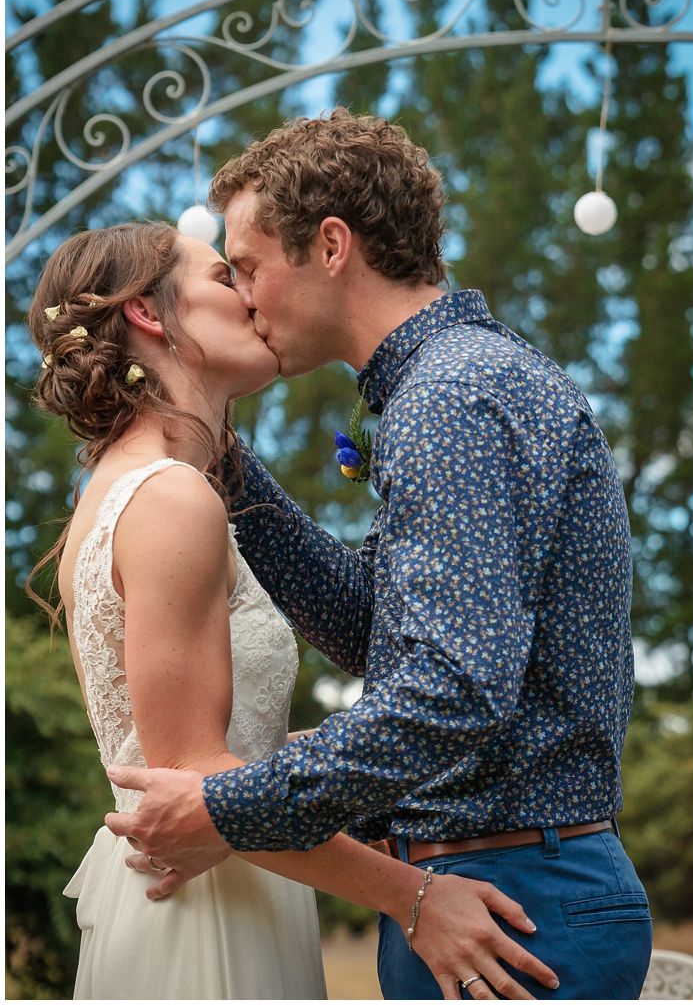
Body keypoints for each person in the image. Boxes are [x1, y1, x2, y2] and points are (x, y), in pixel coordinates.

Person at [101, 110, 653, 1000]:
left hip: (516, 901)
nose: (243, 297)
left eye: (247, 266)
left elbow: (451, 686)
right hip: (502, 886)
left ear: (329, 246)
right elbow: (386, 634)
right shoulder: (449, 384)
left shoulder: (453, 396)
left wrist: (227, 806)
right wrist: (223, 461)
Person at [26, 222, 559, 1000]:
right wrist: (413, 898)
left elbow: (228, 749)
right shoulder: (171, 497)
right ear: (148, 313)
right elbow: (192, 780)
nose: (248, 295)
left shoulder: (136, 487)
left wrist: (382, 750)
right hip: (207, 910)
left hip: (235, 876)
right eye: (222, 276)